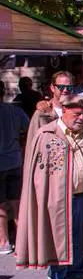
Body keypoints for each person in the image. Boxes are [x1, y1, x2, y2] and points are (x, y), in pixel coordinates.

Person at [16, 95, 83, 279]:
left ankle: (76, 272)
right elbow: (35, 170)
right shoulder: (47, 134)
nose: (81, 117)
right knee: (59, 239)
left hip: (81, 194)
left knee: (78, 235)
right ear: (64, 110)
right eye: (76, 113)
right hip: (57, 197)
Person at [0, 81, 29, 254]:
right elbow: (28, 128)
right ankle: (22, 241)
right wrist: (21, 145)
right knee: (16, 203)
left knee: (1, 205)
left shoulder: (13, 110)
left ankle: (3, 242)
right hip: (15, 160)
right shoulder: (14, 111)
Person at [27, 72, 73, 151]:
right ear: (52, 88)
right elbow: (31, 144)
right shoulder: (41, 114)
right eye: (61, 87)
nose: (65, 90)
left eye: (69, 87)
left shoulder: (79, 113)